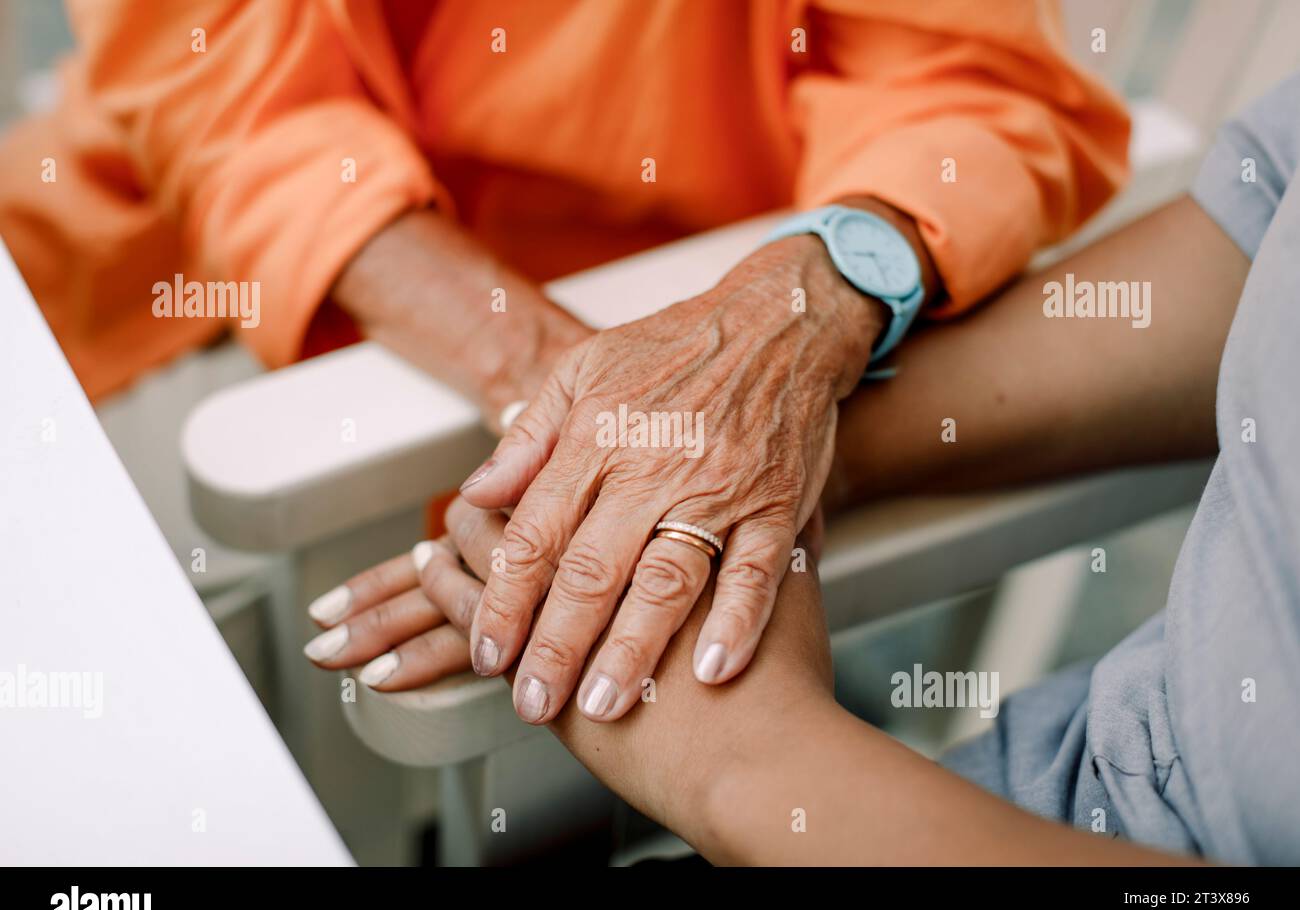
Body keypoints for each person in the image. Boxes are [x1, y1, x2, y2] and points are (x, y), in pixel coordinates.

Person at [1, 2, 1128, 706]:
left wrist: (806, 299)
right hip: (177, 239)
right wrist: (599, 406)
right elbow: (227, 102)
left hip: (674, 268)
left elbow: (965, 87)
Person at [308, 73, 1300, 864]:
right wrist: (747, 446)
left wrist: (755, 763)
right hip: (1023, 768)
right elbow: (1254, 245)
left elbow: (976, 80)